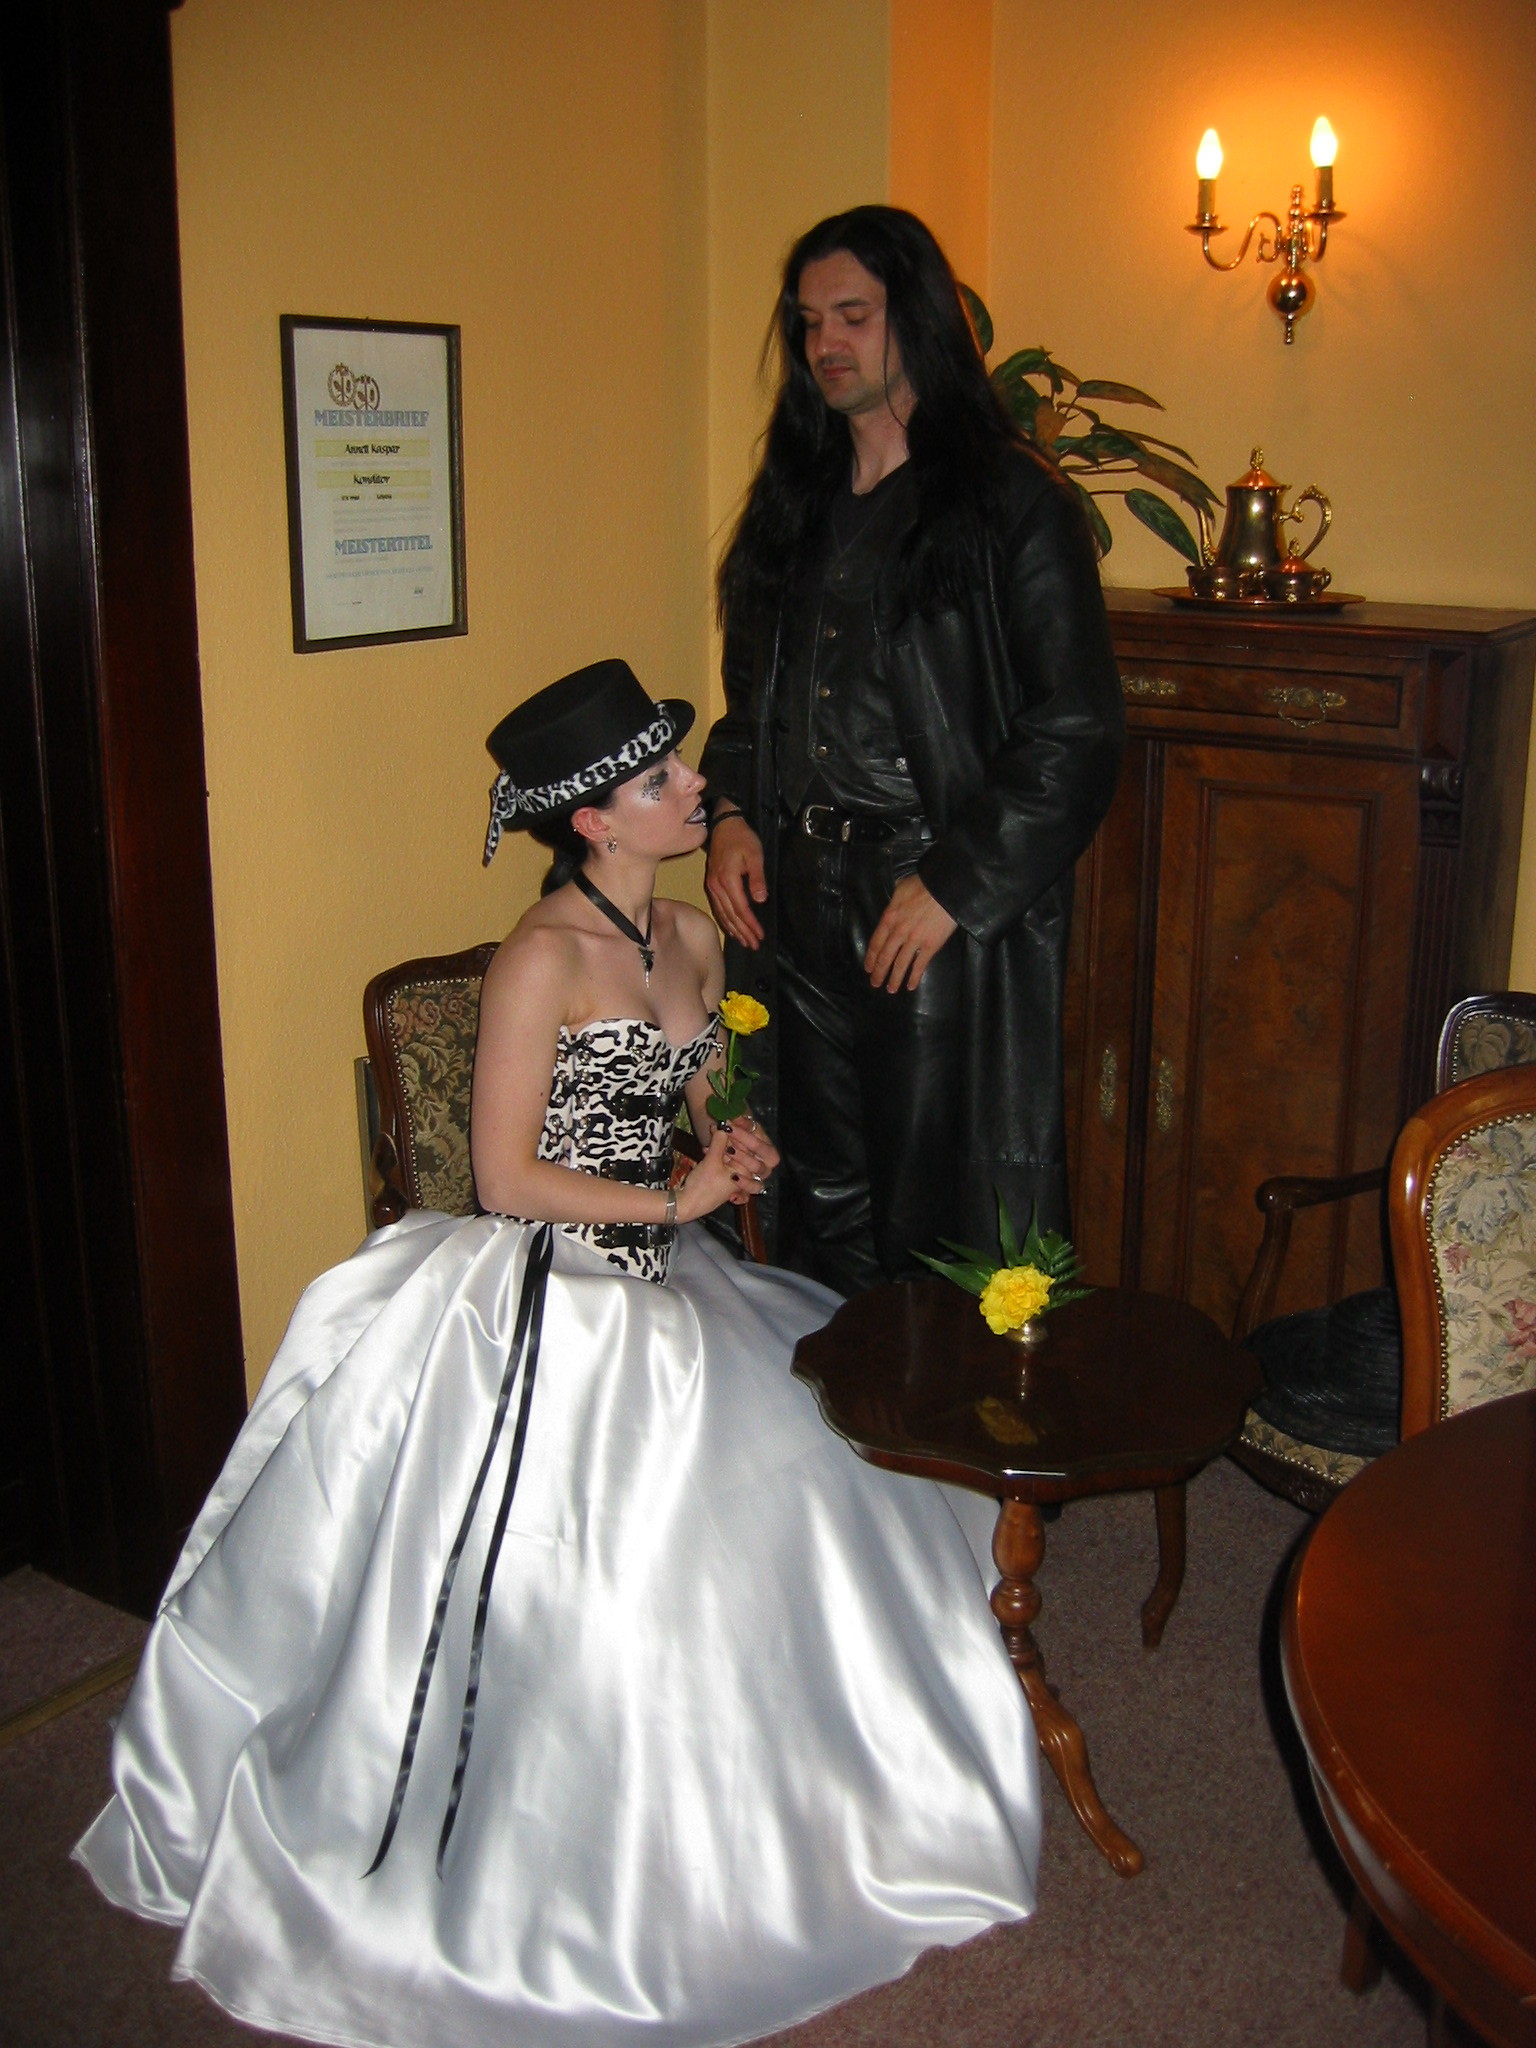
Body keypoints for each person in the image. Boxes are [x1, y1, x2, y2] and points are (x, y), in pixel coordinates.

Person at [74, 660, 1040, 2048]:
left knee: (816, 1462)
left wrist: (726, 1138)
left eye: (680, 765)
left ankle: (793, 1800)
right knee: (621, 1524)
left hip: (669, 1260)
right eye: (662, 778)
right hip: (549, 1280)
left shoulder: (690, 933)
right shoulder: (541, 958)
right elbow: (505, 1177)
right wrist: (675, 1202)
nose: (696, 787)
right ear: (592, 821)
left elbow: (695, 1087)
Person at [702, 205, 1125, 1295]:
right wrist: (732, 812)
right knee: (810, 1189)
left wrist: (955, 884)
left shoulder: (1012, 502)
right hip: (794, 893)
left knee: (933, 1203)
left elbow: (1076, 728)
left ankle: (933, 1407)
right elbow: (749, 704)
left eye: (854, 315)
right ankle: (826, 1397)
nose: (826, 343)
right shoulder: (790, 504)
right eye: (809, 322)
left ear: (918, 320)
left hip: (924, 892)